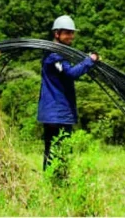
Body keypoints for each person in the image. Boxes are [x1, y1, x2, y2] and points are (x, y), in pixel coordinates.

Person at [37, 15, 100, 171]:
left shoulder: (57, 53)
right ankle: (54, 182)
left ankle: (56, 181)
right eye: (67, 33)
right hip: (57, 113)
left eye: (72, 33)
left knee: (58, 149)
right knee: (56, 149)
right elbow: (71, 73)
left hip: (58, 112)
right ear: (57, 34)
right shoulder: (54, 56)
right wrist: (89, 60)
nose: (71, 36)